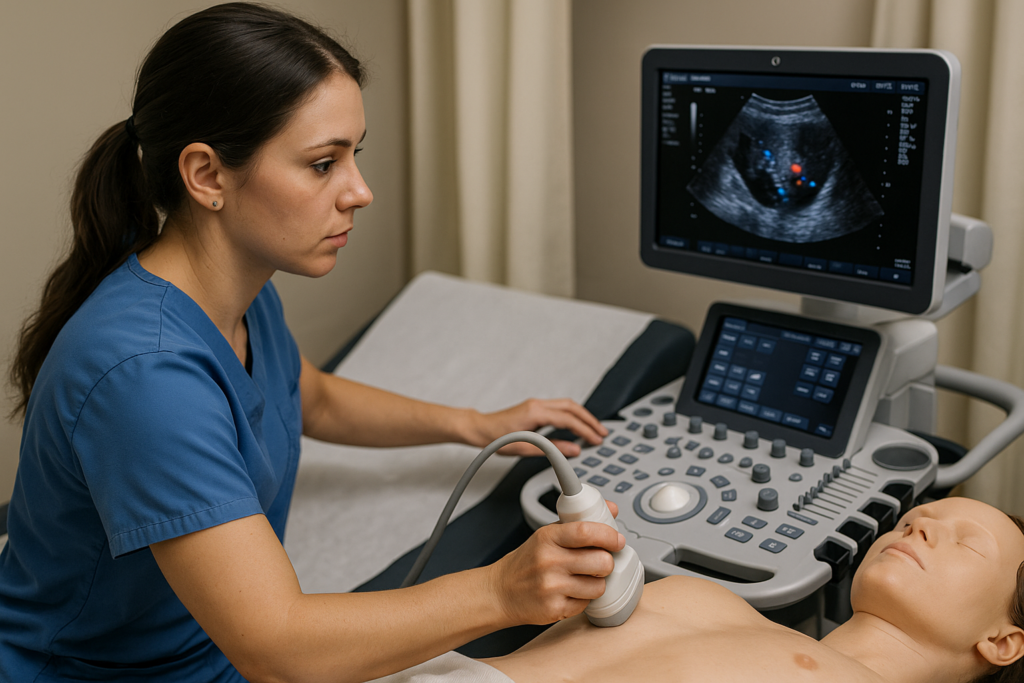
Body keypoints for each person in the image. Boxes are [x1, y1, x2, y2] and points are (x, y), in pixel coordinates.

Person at [0, 4, 623, 682]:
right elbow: (277, 647)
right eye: (323, 163)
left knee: (690, 608)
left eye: (356, 154)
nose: (360, 190)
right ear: (207, 175)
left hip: (215, 651)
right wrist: (503, 590)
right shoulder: (143, 374)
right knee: (652, 651)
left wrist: (475, 425)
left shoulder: (235, 291)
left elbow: (309, 394)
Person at [401, 496, 1021, 683]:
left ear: (1003, 641)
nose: (920, 527)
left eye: (966, 543)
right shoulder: (712, 601)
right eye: (917, 519)